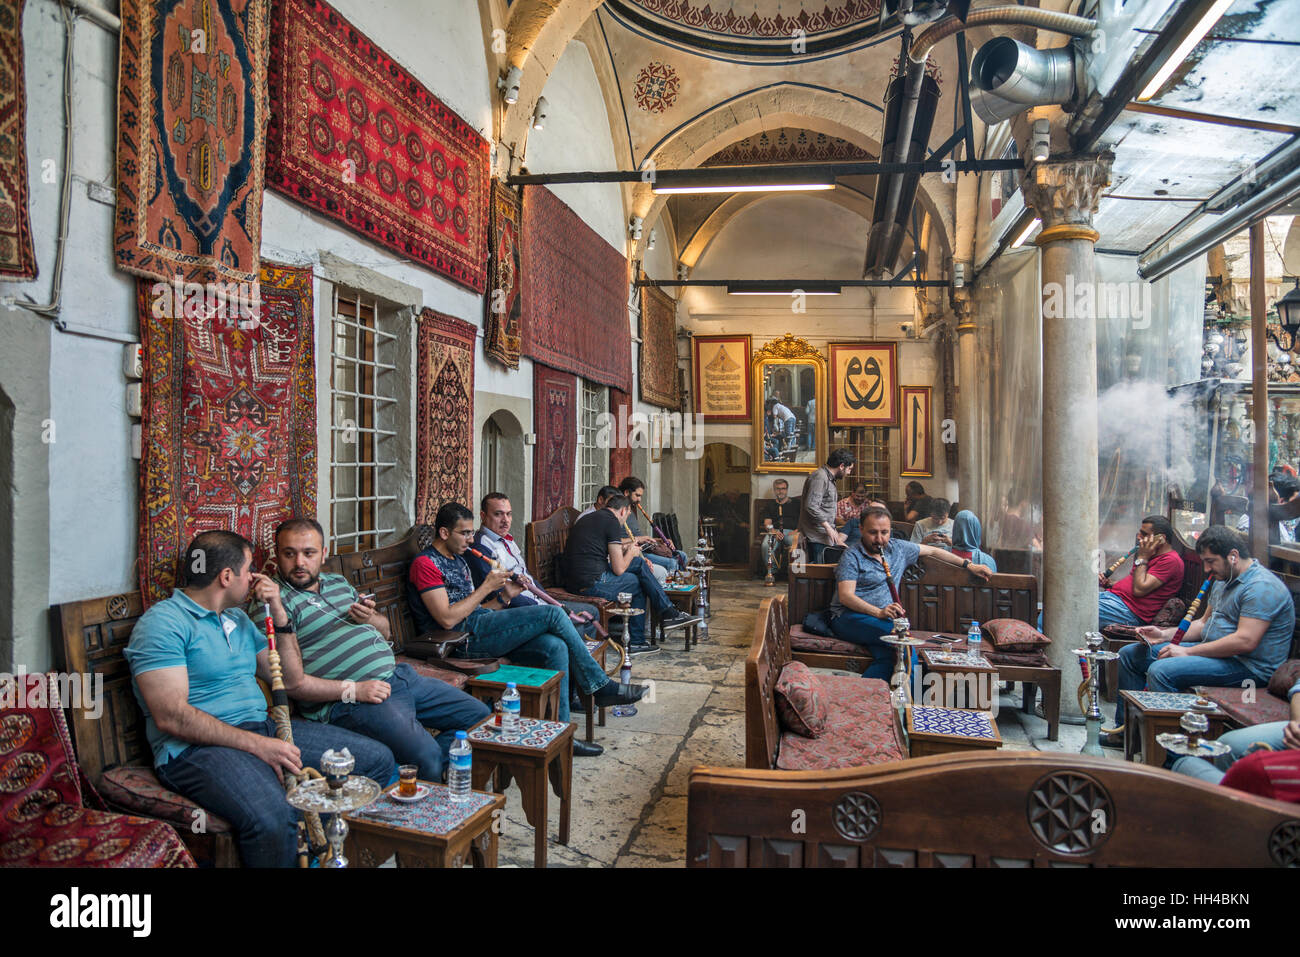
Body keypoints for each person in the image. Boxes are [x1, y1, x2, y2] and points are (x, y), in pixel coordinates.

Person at [124, 530, 397, 868]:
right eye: (249, 570)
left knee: (376, 761)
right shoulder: (164, 624)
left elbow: (290, 677)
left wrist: (280, 613)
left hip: (262, 728)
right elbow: (172, 717)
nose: (254, 578)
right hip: (194, 750)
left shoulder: (237, 619)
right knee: (272, 818)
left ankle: (319, 853)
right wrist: (257, 745)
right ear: (227, 576)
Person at [253, 518, 490, 783]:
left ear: (323, 555)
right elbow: (290, 683)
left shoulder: (337, 583)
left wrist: (369, 618)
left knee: (480, 720)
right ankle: (426, 797)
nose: (299, 563)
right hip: (353, 700)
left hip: (400, 677)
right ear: (277, 555)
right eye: (289, 554)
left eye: (308, 553)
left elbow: (386, 630)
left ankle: (420, 780)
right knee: (428, 757)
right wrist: (356, 690)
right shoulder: (273, 604)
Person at [408, 503, 645, 757]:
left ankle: (561, 736)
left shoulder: (459, 559)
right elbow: (446, 619)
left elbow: (476, 608)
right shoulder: (425, 564)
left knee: (555, 646)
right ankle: (599, 686)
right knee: (553, 613)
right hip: (459, 641)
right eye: (464, 533)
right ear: (444, 533)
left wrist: (503, 598)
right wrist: (486, 588)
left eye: (470, 532)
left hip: (480, 625)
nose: (470, 539)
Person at [1106, 525, 1295, 742]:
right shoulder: (1224, 580)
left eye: (1210, 561)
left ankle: (1169, 753)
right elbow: (1204, 624)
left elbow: (1245, 641)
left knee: (1162, 670)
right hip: (1215, 654)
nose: (1206, 569)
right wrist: (1164, 634)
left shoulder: (1260, 587)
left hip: (1248, 667)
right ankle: (1128, 736)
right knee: (1132, 654)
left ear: (1233, 556)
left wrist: (1188, 652)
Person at [829, 507, 992, 681]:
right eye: (872, 533)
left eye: (884, 532)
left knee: (888, 658)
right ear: (861, 529)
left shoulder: (898, 549)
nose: (879, 539)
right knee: (904, 643)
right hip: (849, 618)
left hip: (881, 621)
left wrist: (970, 566)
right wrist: (878, 612)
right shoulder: (852, 556)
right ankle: (912, 703)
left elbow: (935, 551)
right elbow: (846, 596)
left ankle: (867, 701)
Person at [563, 493, 700, 653]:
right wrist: (632, 552)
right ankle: (638, 638)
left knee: (638, 564)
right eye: (627, 515)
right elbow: (618, 568)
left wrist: (630, 551)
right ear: (623, 510)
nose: (625, 520)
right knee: (637, 582)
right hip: (589, 583)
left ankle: (667, 613)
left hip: (576, 578)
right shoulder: (612, 522)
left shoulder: (592, 517)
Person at [1170, 672, 1299, 784]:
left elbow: (1246, 644)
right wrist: (1297, 725)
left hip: (1253, 667)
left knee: (1186, 765)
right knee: (1228, 744)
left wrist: (1187, 651)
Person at [1097, 515, 1185, 628]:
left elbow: (1139, 590)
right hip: (1113, 600)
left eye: (1144, 534)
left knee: (1076, 606)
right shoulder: (1150, 554)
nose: (1139, 537)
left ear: (1161, 538)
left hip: (1128, 612)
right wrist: (1109, 583)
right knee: (1074, 597)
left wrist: (1142, 558)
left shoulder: (1170, 561)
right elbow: (1133, 582)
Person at [618, 476, 688, 575]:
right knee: (672, 563)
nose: (639, 500)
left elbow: (639, 537)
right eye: (637, 495)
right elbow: (616, 541)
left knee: (682, 555)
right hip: (633, 552)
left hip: (643, 548)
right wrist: (639, 539)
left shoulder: (630, 510)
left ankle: (683, 585)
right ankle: (671, 589)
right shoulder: (619, 513)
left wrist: (658, 540)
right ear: (626, 493)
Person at [798, 448, 855, 564]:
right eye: (849, 469)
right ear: (841, 466)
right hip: (816, 536)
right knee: (820, 576)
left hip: (823, 536)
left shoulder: (829, 478)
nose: (849, 473)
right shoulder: (820, 477)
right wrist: (828, 527)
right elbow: (811, 506)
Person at [757, 479, 800, 574]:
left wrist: (798, 530)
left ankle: (797, 575)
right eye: (778, 489)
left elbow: (804, 520)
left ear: (787, 489)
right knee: (765, 545)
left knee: (798, 544)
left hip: (792, 532)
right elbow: (767, 522)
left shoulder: (796, 503)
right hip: (775, 531)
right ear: (774, 490)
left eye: (783, 488)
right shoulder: (770, 505)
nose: (780, 491)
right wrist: (773, 531)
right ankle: (773, 573)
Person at [836, 481, 872, 549]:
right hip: (846, 534)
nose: (860, 498)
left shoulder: (868, 504)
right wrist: (851, 525)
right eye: (857, 496)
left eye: (862, 496)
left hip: (863, 533)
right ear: (852, 493)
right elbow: (837, 519)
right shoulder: (841, 504)